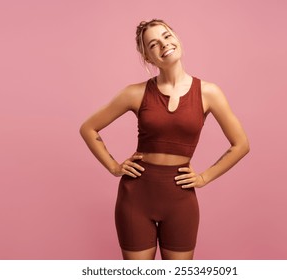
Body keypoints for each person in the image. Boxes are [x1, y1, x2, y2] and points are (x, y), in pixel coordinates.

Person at [79, 19, 250, 260]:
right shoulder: (134, 93)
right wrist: (114, 166)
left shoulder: (209, 92)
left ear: (177, 38)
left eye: (167, 36)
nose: (164, 45)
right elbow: (88, 128)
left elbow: (241, 144)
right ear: (148, 57)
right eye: (153, 44)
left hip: (180, 199)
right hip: (135, 197)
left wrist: (204, 177)